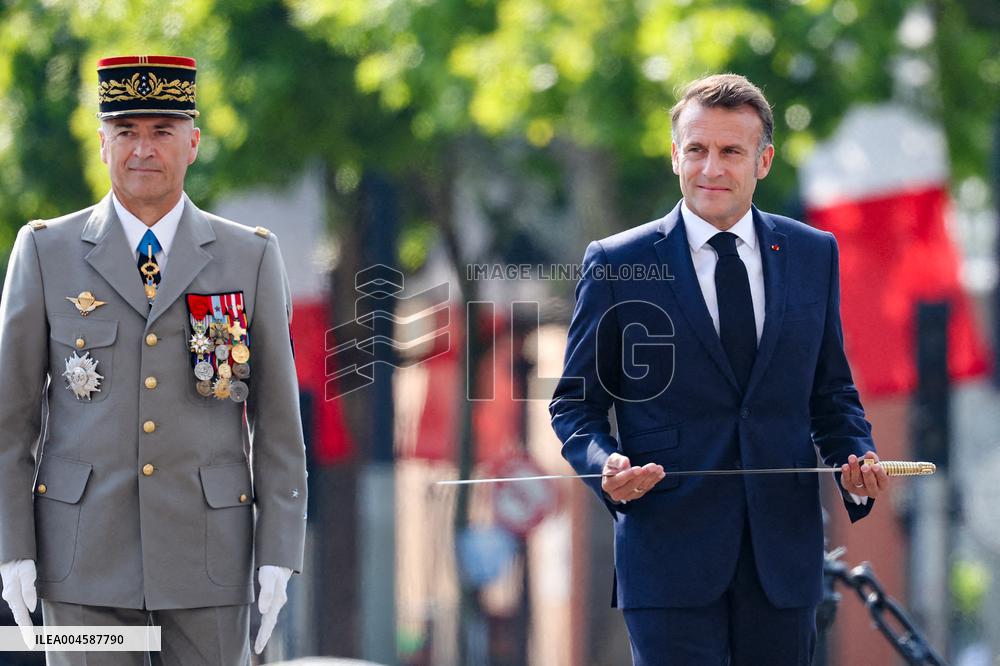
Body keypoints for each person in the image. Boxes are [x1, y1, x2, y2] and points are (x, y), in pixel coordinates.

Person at [549, 73, 890, 665]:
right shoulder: (616, 263)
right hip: (667, 559)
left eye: (731, 151)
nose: (711, 167)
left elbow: (831, 393)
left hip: (782, 563)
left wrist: (853, 458)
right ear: (674, 154)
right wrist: (607, 465)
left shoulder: (814, 254)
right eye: (697, 149)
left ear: (763, 161)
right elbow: (574, 406)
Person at [0, 55, 307, 665]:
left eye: (162, 131)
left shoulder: (247, 257)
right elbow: (9, 423)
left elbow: (277, 423)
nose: (143, 149)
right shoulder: (45, 252)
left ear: (192, 143)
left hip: (209, 558)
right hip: (81, 558)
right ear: (101, 142)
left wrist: (278, 549)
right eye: (126, 132)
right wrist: (12, 546)